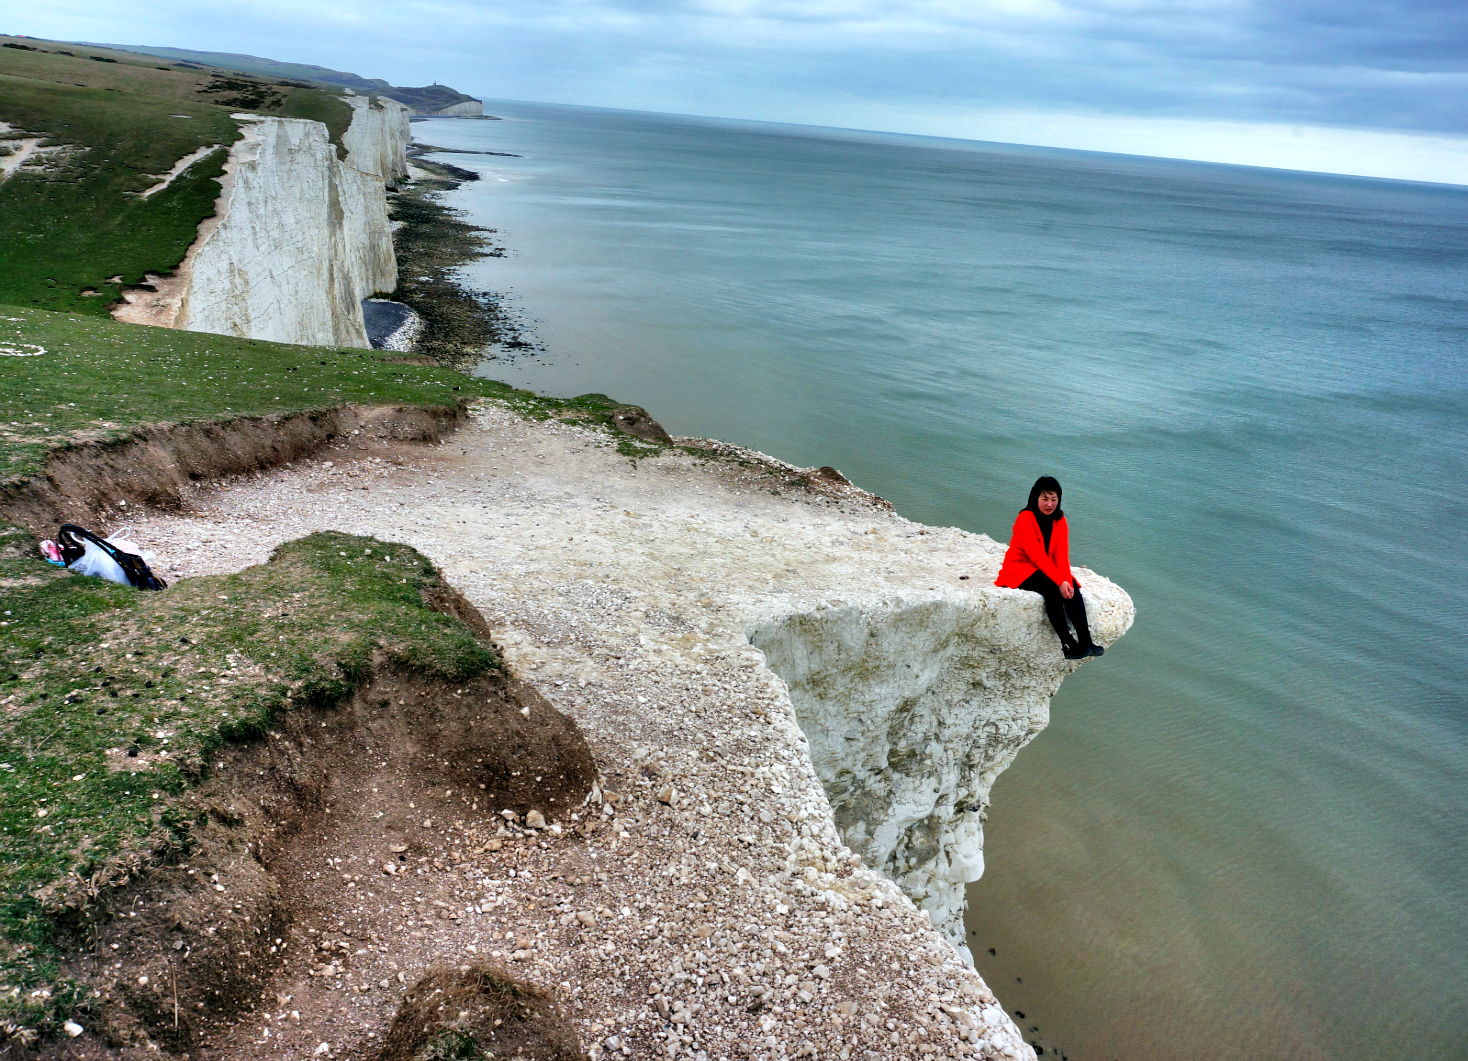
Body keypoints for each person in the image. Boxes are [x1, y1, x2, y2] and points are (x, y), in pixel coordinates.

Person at [994, 476, 1103, 661]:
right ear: (1035, 497)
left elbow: (1061, 556)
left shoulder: (1060, 521)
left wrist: (1066, 581)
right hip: (1020, 569)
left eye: (1054, 499)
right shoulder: (1025, 518)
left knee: (1072, 586)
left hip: (1044, 568)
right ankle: (1067, 643)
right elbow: (1036, 556)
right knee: (1053, 589)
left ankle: (1086, 640)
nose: (1049, 504)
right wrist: (1059, 581)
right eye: (1045, 499)